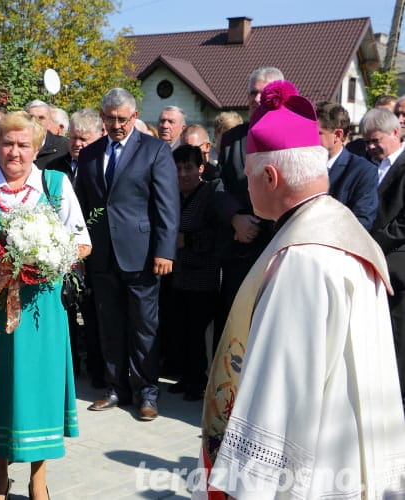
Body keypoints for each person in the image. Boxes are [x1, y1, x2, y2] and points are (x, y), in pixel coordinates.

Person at [195, 80, 405, 500]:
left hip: (314, 471)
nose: (247, 188)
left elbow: (278, 391)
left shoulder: (302, 260)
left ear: (270, 176)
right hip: (354, 458)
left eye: (250, 178)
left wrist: (244, 486)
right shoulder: (346, 237)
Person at [0, 111, 91, 500]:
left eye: (23, 144)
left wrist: (44, 262)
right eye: (7, 143)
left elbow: (82, 243)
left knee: (37, 389)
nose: (15, 151)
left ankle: (38, 479)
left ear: (37, 148)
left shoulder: (56, 185)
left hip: (40, 309)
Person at [75, 88, 179, 421]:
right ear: (102, 118)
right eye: (110, 118)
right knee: (110, 324)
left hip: (143, 255)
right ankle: (115, 387)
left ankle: (147, 391)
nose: (116, 124)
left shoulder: (155, 150)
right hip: (102, 256)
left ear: (134, 117)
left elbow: (167, 205)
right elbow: (81, 206)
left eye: (122, 118)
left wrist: (164, 250)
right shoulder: (90, 154)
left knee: (144, 326)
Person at [213, 66, 283, 355]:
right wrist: (235, 218)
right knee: (234, 325)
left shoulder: (293, 135)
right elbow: (219, 184)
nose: (257, 98)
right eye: (253, 92)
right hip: (238, 249)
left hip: (276, 248)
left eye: (264, 92)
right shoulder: (233, 139)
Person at [46, 107, 106, 387]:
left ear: (99, 135)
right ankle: (67, 366)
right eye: (73, 137)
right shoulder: (54, 169)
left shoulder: (103, 167)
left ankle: (97, 369)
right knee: (66, 308)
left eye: (84, 138)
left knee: (95, 313)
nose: (77, 144)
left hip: (97, 250)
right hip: (60, 252)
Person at [162, 145, 223, 401]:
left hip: (202, 275)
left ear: (200, 168)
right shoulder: (172, 195)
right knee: (181, 329)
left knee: (197, 331)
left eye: (188, 167)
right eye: (178, 168)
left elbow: (217, 233)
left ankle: (198, 381)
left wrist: (187, 241)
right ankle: (186, 376)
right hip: (177, 276)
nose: (183, 173)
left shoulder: (210, 194)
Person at [362, 107, 405, 407]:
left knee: (398, 335)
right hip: (371, 261)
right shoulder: (367, 166)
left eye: (375, 140)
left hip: (397, 263)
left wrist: (371, 244)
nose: (370, 146)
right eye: (366, 141)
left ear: (395, 132)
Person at [315, 101, 378, 230]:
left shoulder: (362, 171)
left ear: (338, 135)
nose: (309, 138)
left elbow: (362, 221)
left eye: (318, 133)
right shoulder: (301, 164)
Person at [25, 99, 68, 168]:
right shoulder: (15, 143)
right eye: (31, 117)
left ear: (49, 121)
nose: (36, 121)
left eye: (41, 118)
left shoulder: (64, 146)